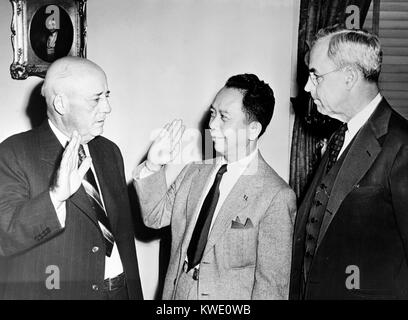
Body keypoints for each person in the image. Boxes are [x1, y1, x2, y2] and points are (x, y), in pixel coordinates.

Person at [134, 74, 296, 300]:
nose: (212, 124)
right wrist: (153, 165)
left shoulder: (276, 195)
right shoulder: (193, 172)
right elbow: (154, 217)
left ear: (253, 130)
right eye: (212, 113)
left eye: (224, 117)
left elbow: (271, 287)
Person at [0, 57, 143, 300]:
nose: (107, 107)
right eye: (96, 99)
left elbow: (122, 235)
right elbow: (6, 237)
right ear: (61, 104)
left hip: (120, 290)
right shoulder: (14, 152)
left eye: (107, 96)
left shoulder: (109, 151)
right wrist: (54, 197)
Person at [290, 26, 408, 299]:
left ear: (349, 77)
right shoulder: (338, 137)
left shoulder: (402, 145)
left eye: (315, 75)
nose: (307, 87)